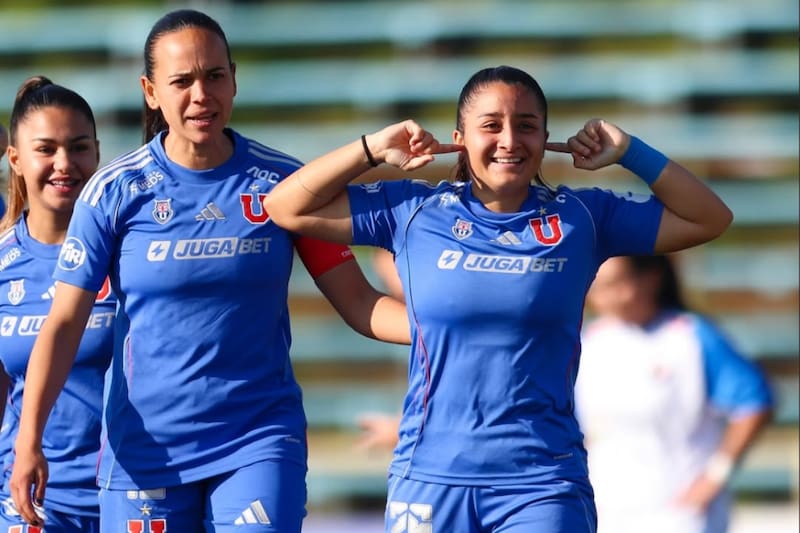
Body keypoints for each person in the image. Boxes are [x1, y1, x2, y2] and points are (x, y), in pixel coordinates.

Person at [263, 65, 734, 532]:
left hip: (542, 483)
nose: (509, 140)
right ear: (459, 137)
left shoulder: (584, 217)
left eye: (526, 126)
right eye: (491, 125)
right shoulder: (412, 210)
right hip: (429, 477)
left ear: (547, 137)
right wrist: (370, 149)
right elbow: (285, 206)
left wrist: (630, 152)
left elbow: (709, 218)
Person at [10, 9, 408, 533]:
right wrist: (28, 441)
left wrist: (450, 328)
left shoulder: (285, 185)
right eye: (182, 81)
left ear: (235, 80)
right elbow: (61, 324)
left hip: (257, 440)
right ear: (151, 91)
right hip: (145, 452)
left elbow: (358, 303)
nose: (201, 94)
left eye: (214, 76)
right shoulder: (114, 192)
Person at [574, 254, 773, 533]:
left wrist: (715, 476)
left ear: (651, 278)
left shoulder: (690, 335)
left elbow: (754, 402)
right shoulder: (587, 343)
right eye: (597, 286)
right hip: (607, 509)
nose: (606, 297)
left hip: (681, 512)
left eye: (616, 284)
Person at [0, 76, 114, 532]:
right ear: (16, 159)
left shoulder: (132, 256)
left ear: (98, 152)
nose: (64, 164)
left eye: (79, 147)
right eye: (46, 149)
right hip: (29, 496)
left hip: (130, 490)